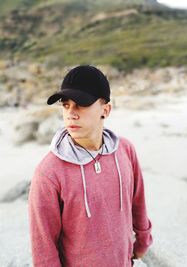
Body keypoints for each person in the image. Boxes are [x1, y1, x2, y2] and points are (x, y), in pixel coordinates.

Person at [28, 65, 153, 267]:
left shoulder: (125, 150)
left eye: (81, 104)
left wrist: (143, 241)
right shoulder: (49, 173)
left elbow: (138, 202)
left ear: (106, 110)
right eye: (66, 105)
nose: (71, 114)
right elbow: (43, 246)